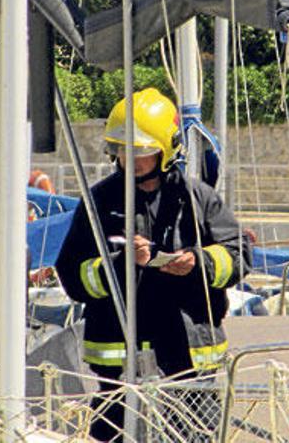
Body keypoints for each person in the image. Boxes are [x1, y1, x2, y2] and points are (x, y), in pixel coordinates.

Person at [55, 88, 251, 441]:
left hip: (190, 366)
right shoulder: (99, 201)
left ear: (166, 147)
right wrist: (120, 264)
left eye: (141, 151)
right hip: (118, 371)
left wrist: (199, 262)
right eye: (120, 150)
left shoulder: (198, 199)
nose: (130, 159)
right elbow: (71, 272)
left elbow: (238, 256)